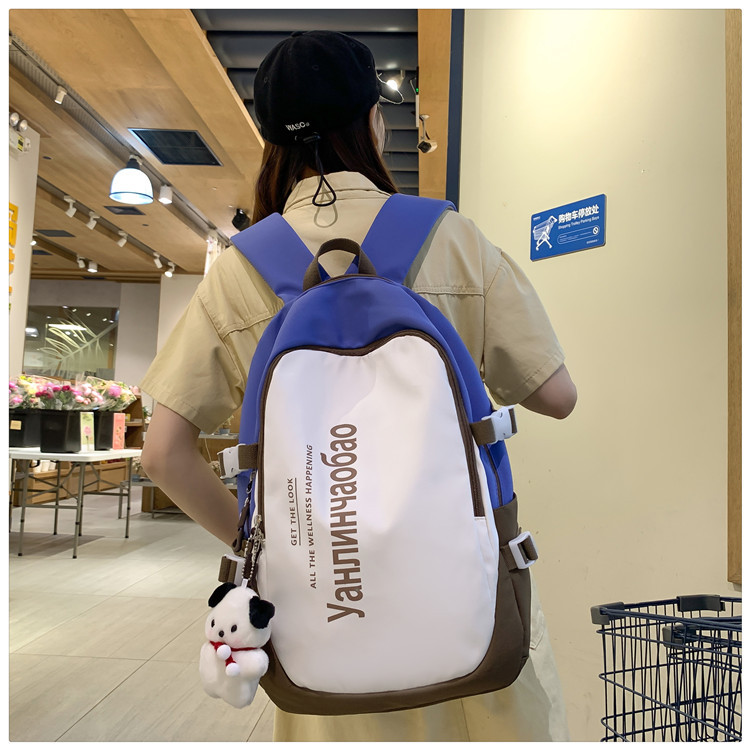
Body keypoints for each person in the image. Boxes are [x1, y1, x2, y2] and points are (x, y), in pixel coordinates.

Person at [140, 30, 577, 742]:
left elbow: (163, 454)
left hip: (328, 616)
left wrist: (262, 545)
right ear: (374, 122)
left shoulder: (240, 270)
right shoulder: (451, 237)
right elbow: (557, 397)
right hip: (465, 606)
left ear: (271, 142)